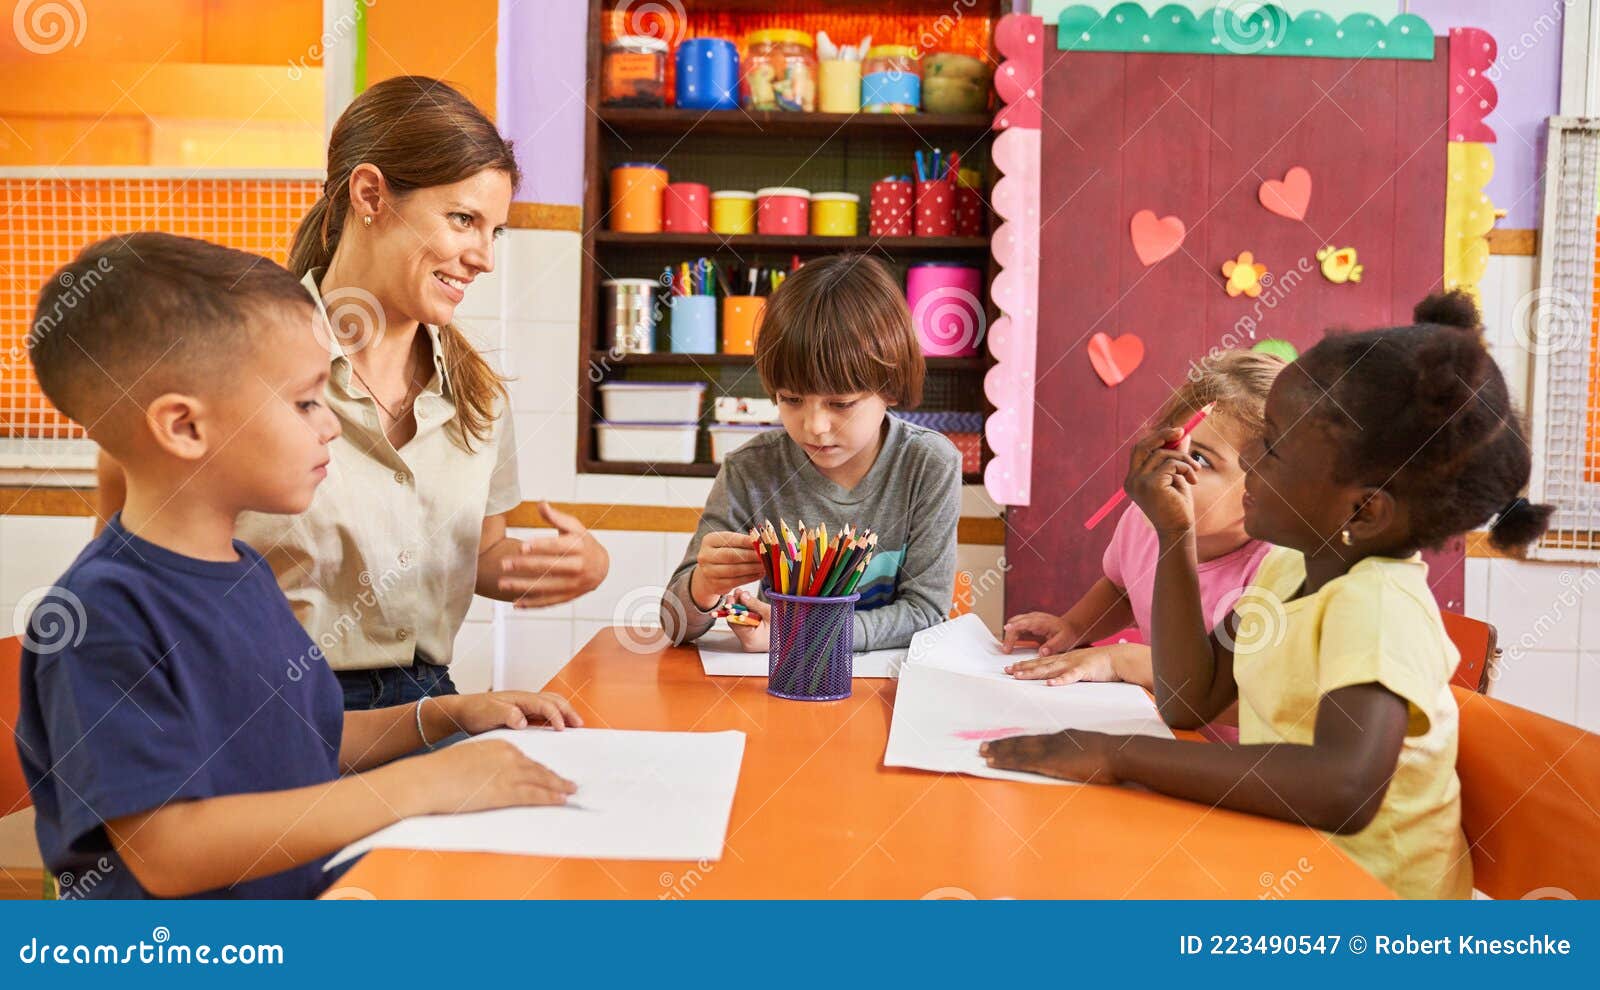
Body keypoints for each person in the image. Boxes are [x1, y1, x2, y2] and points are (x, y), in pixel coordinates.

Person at [19, 234, 584, 898]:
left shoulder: (245, 572)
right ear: (184, 428)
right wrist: (424, 784)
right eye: (306, 401)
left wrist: (445, 718)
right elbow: (169, 852)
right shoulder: (104, 617)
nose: (332, 426)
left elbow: (300, 738)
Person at [981, 292, 1553, 898]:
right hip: (1282, 865)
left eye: (1274, 447)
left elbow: (1342, 788)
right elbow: (1190, 700)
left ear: (1362, 509)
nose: (1252, 459)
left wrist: (1118, 754)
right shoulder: (1289, 573)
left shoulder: (1378, 606)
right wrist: (1175, 532)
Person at [662, 255, 962, 652]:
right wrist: (703, 588)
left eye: (840, 404)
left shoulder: (928, 464)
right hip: (781, 687)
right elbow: (673, 625)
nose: (814, 426)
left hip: (889, 695)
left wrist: (801, 636)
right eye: (791, 399)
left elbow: (926, 613)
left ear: (890, 389)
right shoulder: (751, 469)